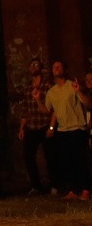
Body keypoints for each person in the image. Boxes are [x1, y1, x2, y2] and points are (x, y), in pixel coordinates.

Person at [45, 60, 90, 199]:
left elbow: (88, 103)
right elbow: (49, 110)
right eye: (54, 67)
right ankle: (73, 189)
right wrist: (37, 100)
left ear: (64, 69)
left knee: (81, 160)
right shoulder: (52, 91)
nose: (56, 68)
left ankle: (86, 189)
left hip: (77, 128)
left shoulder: (72, 85)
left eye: (59, 66)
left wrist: (79, 91)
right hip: (63, 130)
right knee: (67, 161)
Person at [14, 79, 52, 194]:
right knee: (28, 155)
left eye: (36, 65)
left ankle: (54, 184)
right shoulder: (28, 88)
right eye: (32, 65)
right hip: (31, 125)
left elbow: (52, 107)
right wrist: (21, 127)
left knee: (50, 156)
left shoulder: (47, 85)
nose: (33, 67)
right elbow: (25, 110)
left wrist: (51, 127)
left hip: (44, 123)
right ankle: (36, 185)